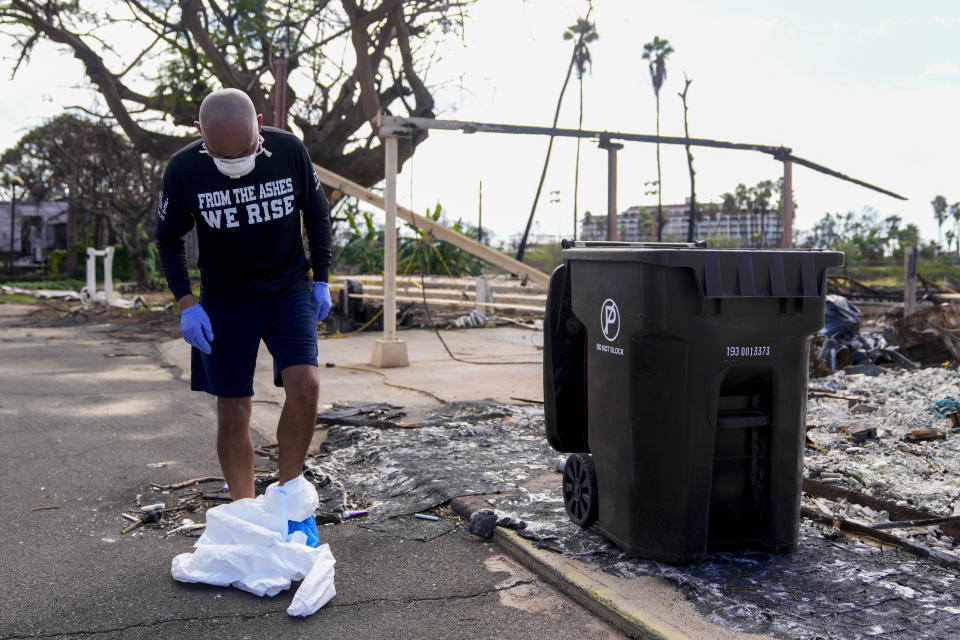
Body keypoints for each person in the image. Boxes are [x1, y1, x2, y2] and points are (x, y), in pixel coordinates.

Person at [156, 88, 331, 539]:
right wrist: (187, 302)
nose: (236, 161)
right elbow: (168, 239)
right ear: (200, 135)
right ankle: (248, 515)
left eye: (246, 150)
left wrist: (322, 278)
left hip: (287, 287)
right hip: (224, 299)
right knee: (233, 410)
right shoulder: (184, 169)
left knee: (306, 386)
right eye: (222, 154)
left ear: (258, 124)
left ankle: (291, 503)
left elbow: (317, 214)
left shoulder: (288, 150)